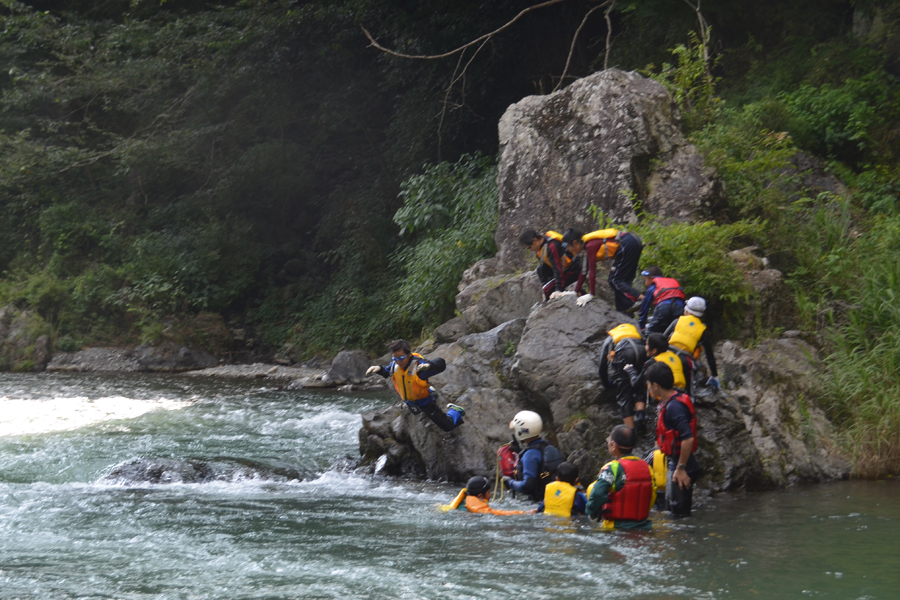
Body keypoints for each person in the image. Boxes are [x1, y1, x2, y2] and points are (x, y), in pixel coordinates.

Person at [366, 339, 465, 432]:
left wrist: (430, 365)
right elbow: (386, 372)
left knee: (447, 426)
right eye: (394, 358)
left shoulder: (419, 367)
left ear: (409, 354)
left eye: (401, 358)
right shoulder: (395, 365)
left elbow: (441, 364)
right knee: (416, 411)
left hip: (425, 402)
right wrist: (378, 368)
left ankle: (454, 411)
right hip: (410, 401)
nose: (398, 361)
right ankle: (431, 391)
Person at [645, 361, 701, 517]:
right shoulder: (669, 402)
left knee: (678, 516)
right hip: (677, 462)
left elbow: (688, 438)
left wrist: (681, 468)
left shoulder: (674, 407)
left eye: (648, 384)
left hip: (683, 465)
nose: (648, 388)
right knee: (672, 511)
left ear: (655, 385)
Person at [585, 425, 655, 530]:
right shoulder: (648, 468)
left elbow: (598, 493)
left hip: (616, 529)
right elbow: (652, 496)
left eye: (609, 440)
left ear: (613, 445)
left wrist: (591, 513)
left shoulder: (612, 467)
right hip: (644, 527)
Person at [568, 228, 643, 310]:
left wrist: (591, 294)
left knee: (614, 279)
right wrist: (575, 291)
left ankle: (640, 299)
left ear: (575, 243)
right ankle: (624, 309)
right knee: (623, 280)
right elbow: (584, 271)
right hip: (633, 241)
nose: (570, 250)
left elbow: (592, 271)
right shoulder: (587, 246)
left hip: (627, 244)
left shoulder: (590, 246)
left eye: (569, 246)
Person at [503, 410, 565, 502]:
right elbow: (539, 465)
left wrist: (509, 482)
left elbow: (528, 486)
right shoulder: (547, 445)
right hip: (557, 496)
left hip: (539, 504)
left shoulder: (530, 454)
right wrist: (520, 451)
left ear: (521, 432)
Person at [624, 332, 690, 420]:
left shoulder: (652, 362)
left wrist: (631, 371)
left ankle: (640, 416)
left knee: (640, 388)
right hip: (681, 393)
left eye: (647, 344)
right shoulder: (675, 356)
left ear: (654, 350)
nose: (645, 347)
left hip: (666, 397)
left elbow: (636, 384)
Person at [664, 296, 720, 391]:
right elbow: (709, 355)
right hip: (686, 361)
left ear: (688, 312)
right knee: (687, 393)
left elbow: (661, 338)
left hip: (668, 357)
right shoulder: (703, 330)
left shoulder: (677, 321)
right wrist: (714, 375)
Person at [598, 323, 646, 429]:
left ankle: (630, 431)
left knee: (624, 395)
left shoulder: (611, 338)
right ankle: (641, 415)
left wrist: (607, 385)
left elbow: (602, 367)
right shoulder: (634, 332)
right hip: (641, 349)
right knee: (638, 385)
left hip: (625, 353)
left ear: (609, 331)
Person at [518, 229, 582, 300]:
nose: (530, 250)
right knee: (540, 269)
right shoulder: (540, 249)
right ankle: (551, 296)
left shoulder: (552, 246)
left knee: (548, 290)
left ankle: (578, 294)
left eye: (529, 247)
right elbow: (544, 269)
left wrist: (558, 289)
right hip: (564, 270)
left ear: (535, 240)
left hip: (573, 269)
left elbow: (557, 268)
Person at [440, 476, 529, 515]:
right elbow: (497, 513)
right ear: (480, 496)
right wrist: (524, 513)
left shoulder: (466, 499)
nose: (491, 495)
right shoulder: (474, 507)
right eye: (489, 492)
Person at [636, 267, 685, 334]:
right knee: (673, 331)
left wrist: (642, 326)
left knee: (651, 332)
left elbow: (644, 308)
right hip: (679, 308)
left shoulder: (653, 287)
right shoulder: (672, 283)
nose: (645, 284)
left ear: (652, 278)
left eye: (645, 280)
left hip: (663, 308)